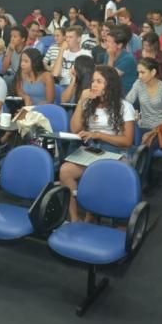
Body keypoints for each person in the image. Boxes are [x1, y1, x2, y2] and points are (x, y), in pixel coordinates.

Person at [59, 65, 135, 222]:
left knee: (98, 175)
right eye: (93, 81)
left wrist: (98, 135)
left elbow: (127, 141)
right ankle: (75, 218)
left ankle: (94, 215)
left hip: (115, 151)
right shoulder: (89, 103)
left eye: (99, 81)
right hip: (93, 149)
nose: (94, 85)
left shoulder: (124, 107)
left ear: (110, 85)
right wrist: (81, 101)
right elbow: (75, 129)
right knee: (65, 171)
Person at [126, 58, 162, 145]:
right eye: (138, 72)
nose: (139, 76)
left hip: (160, 129)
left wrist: (153, 132)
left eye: (142, 72)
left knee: (144, 142)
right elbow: (127, 102)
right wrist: (131, 113)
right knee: (125, 137)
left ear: (153, 72)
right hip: (142, 125)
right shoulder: (138, 83)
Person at [99, 25, 137, 94]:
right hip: (112, 90)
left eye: (109, 42)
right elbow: (103, 73)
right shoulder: (108, 53)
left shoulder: (128, 59)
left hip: (125, 94)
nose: (106, 44)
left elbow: (109, 78)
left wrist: (111, 58)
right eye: (106, 41)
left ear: (119, 45)